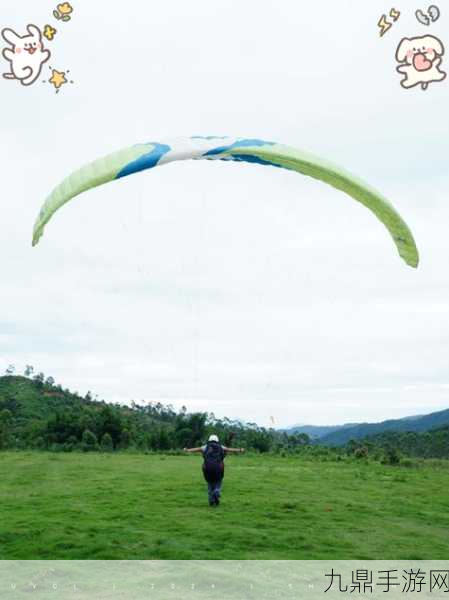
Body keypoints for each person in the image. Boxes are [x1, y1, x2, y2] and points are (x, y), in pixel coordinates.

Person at [184, 434, 245, 506]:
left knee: (210, 483)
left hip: (207, 468)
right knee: (218, 481)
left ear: (209, 440)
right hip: (218, 468)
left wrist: (187, 450)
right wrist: (240, 450)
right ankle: (216, 492)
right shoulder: (220, 447)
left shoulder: (205, 447)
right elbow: (229, 449)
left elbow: (196, 449)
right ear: (217, 440)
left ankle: (211, 500)